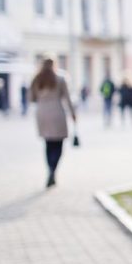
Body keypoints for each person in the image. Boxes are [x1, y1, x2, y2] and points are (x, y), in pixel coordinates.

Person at [29, 56, 76, 188]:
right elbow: (67, 98)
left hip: (42, 113)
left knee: (48, 144)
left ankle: (49, 168)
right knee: (59, 144)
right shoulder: (60, 79)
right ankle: (53, 169)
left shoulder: (36, 79)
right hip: (57, 112)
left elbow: (31, 98)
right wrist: (73, 113)